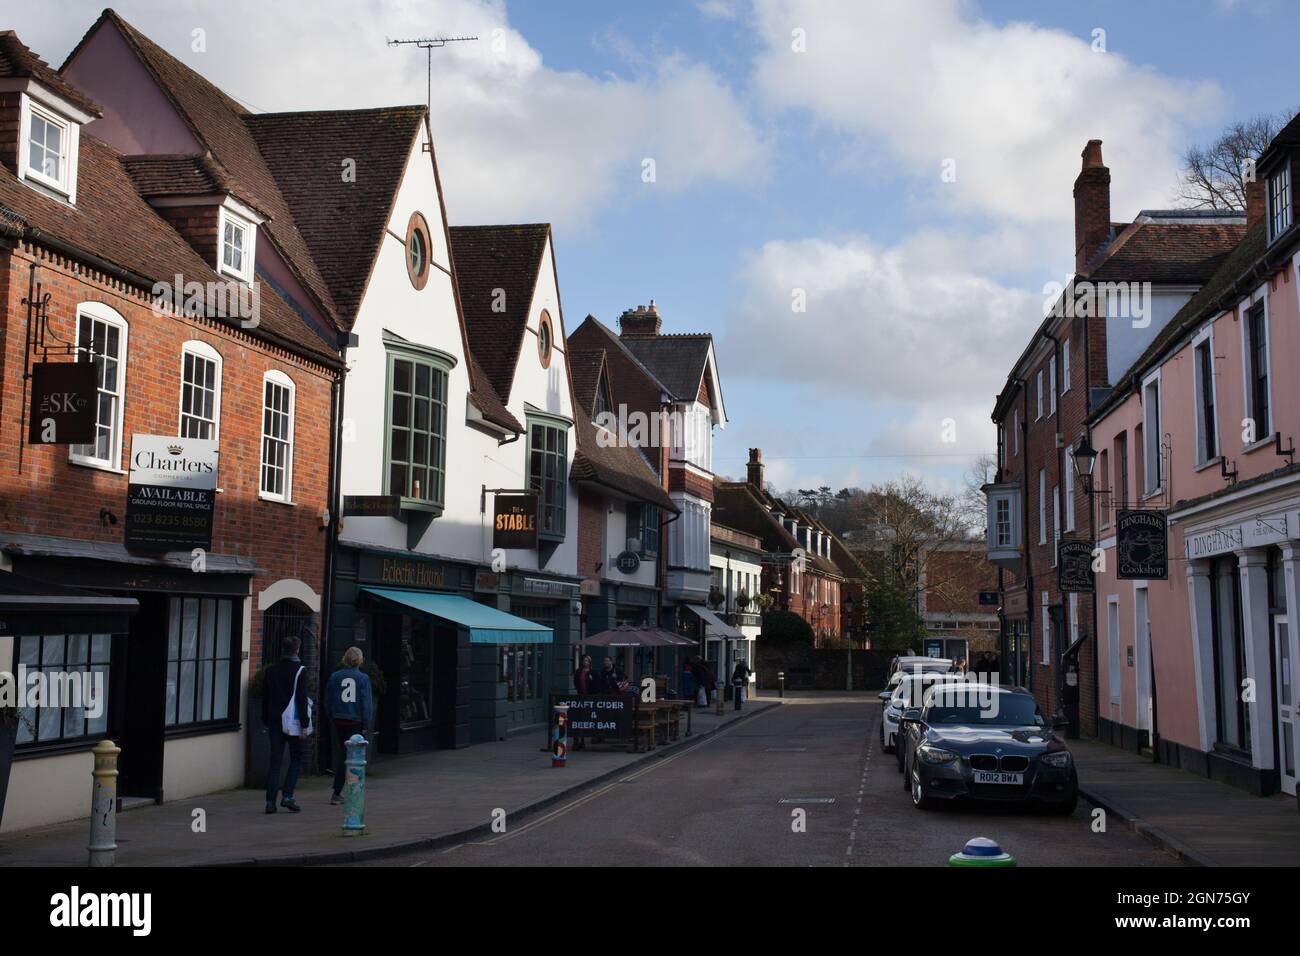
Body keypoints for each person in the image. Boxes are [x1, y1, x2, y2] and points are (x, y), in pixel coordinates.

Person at [261, 634, 312, 813]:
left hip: (274, 720)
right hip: (293, 722)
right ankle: (288, 796)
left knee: (275, 760)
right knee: (296, 757)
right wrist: (305, 724)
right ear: (297, 649)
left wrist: (265, 720)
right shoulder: (300, 671)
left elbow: (265, 698)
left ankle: (270, 801)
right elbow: (301, 700)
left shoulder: (270, 670)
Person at [323, 646, 374, 806]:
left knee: (342, 755)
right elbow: (366, 703)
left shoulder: (335, 676)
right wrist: (366, 722)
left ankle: (339, 791)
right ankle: (346, 790)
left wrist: (331, 715)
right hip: (355, 721)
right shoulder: (363, 678)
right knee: (354, 757)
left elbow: (328, 699)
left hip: (339, 720)